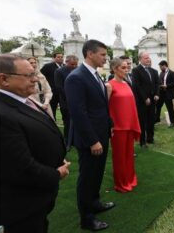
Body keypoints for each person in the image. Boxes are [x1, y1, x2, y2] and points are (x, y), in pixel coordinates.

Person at [0, 54, 70, 233]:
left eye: (34, 73)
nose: (35, 79)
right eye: (28, 75)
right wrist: (55, 173)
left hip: (36, 198)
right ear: (3, 79)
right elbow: (20, 167)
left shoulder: (21, 99)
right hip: (22, 204)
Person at [64, 40, 114, 231]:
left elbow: (100, 105)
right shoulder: (76, 77)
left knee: (97, 173)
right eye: (102, 54)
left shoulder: (95, 75)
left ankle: (95, 203)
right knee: (87, 177)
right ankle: (87, 218)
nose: (105, 58)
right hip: (89, 138)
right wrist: (93, 140)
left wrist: (108, 126)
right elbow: (78, 113)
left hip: (101, 133)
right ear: (90, 54)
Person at [105, 58, 141, 192]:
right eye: (123, 68)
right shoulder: (109, 85)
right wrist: (109, 126)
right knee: (119, 157)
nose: (127, 70)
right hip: (117, 127)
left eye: (127, 68)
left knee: (129, 154)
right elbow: (105, 107)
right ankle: (121, 183)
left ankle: (130, 178)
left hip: (129, 125)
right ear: (114, 69)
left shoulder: (126, 84)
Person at [132, 51, 160, 147]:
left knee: (151, 120)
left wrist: (157, 94)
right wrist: (145, 98)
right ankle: (142, 141)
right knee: (142, 121)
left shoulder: (154, 71)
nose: (148, 59)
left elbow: (157, 84)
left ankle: (150, 138)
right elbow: (137, 86)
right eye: (146, 58)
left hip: (153, 100)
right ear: (140, 59)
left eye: (149, 58)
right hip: (142, 101)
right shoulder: (136, 70)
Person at [54, 55, 79, 143]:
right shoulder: (59, 71)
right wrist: (71, 96)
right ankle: (68, 139)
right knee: (67, 121)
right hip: (66, 101)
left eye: (76, 64)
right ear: (66, 62)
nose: (75, 66)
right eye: (72, 64)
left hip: (78, 101)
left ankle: (76, 139)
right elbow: (59, 87)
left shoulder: (78, 70)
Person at [155, 60, 174, 127]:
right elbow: (159, 81)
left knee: (170, 108)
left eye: (160, 67)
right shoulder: (161, 73)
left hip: (168, 93)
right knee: (158, 106)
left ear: (164, 65)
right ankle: (156, 120)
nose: (160, 68)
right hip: (161, 93)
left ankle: (172, 122)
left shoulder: (172, 73)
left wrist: (167, 86)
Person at [40, 52, 64, 117]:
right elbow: (41, 76)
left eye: (62, 57)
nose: (60, 58)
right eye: (58, 57)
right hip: (52, 92)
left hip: (62, 93)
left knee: (64, 110)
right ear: (54, 58)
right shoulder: (48, 66)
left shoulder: (65, 66)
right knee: (52, 110)